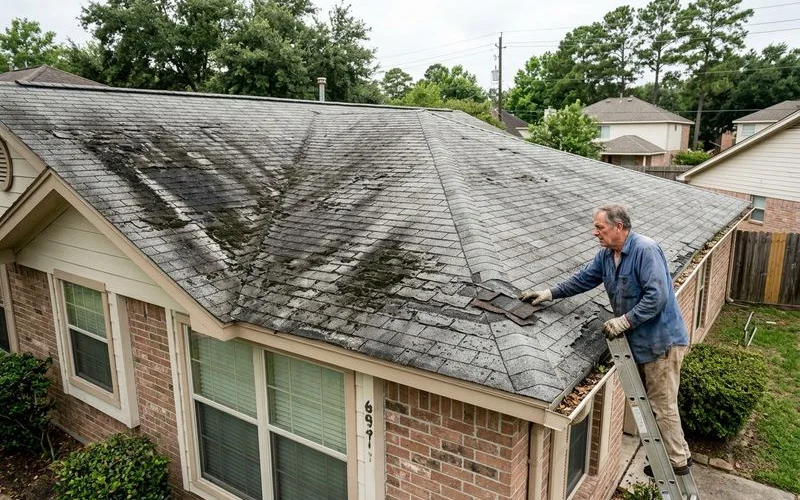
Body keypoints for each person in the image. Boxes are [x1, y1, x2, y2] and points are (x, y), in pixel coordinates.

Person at [520, 204, 692, 476]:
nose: (594, 233)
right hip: (639, 344)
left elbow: (656, 297)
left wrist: (625, 321)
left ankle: (677, 461)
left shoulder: (645, 250)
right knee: (651, 403)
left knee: (662, 404)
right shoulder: (606, 257)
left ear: (619, 227)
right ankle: (674, 453)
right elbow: (583, 280)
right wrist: (549, 293)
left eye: (600, 227)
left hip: (662, 343)